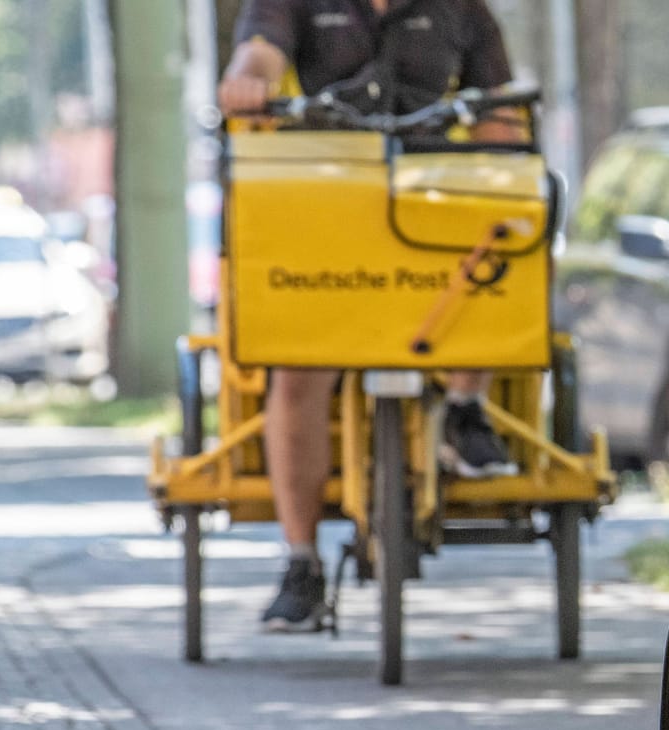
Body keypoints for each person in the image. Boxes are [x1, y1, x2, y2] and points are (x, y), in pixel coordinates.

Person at [218, 0, 524, 633]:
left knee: (504, 244)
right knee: (298, 370)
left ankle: (465, 408)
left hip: (433, 195)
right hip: (328, 197)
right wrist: (249, 77)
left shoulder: (462, 8)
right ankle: (300, 562)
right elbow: (262, 50)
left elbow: (498, 101)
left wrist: (504, 131)